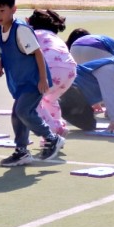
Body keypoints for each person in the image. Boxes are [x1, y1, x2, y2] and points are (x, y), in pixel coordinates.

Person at [0, 0, 64, 167]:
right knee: (16, 115)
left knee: (23, 111)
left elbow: (38, 53)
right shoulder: (0, 29)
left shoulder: (20, 29)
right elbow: (6, 53)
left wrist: (43, 79)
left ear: (13, 9)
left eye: (2, 11)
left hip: (33, 80)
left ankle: (52, 138)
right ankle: (22, 151)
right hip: (19, 81)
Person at [60, 36, 114, 132]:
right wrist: (113, 120)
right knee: (88, 124)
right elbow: (109, 95)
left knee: (90, 124)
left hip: (77, 94)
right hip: (69, 91)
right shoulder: (111, 68)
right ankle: (57, 105)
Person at [28, 9, 78, 137]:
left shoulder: (34, 34)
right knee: (50, 100)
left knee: (32, 102)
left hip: (51, 68)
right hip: (70, 70)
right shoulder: (54, 36)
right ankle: (58, 128)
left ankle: (53, 128)